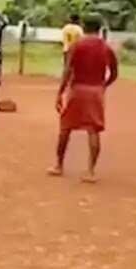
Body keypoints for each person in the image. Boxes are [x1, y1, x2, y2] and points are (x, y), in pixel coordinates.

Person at [48, 13, 118, 182]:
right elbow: (114, 73)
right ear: (100, 28)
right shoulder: (106, 48)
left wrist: (60, 92)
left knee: (65, 128)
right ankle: (91, 171)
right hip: (96, 92)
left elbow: (67, 70)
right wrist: (103, 85)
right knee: (93, 130)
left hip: (77, 89)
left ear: (83, 26)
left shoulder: (76, 46)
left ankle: (58, 165)